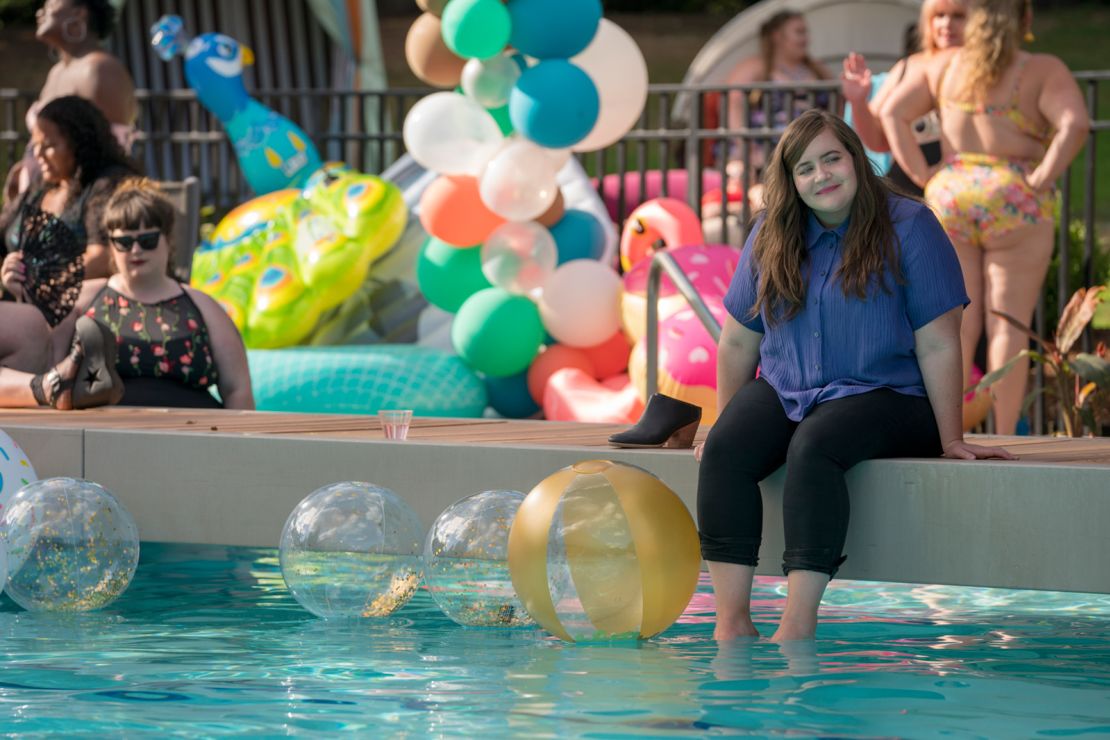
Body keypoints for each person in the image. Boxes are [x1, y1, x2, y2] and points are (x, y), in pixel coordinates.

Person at [696, 109, 1014, 643]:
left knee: (814, 446)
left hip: (890, 393)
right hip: (789, 386)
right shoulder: (772, 231)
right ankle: (732, 624)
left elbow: (938, 341)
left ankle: (796, 624)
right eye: (805, 168)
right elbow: (737, 339)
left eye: (831, 159)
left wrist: (952, 437)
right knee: (726, 450)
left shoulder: (910, 225)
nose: (822, 176)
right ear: (790, 181)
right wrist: (726, 420)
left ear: (855, 159)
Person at [881, 0, 1089, 434]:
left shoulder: (945, 65)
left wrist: (923, 175)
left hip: (953, 194)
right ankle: (1004, 432)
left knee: (956, 324)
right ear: (1025, 20)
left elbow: (891, 112)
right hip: (1015, 198)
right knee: (1008, 326)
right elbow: (1074, 123)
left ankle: (947, 433)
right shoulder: (1042, 69)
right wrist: (1043, 177)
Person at [0, 178, 254, 410]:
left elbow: (237, 389)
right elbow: (47, 368)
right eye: (124, 242)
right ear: (111, 245)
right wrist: (24, 293)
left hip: (196, 433)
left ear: (168, 240)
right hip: (103, 435)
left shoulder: (203, 306)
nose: (135, 250)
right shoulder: (81, 300)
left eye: (147, 240)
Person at [1, 95, 140, 323]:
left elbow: (102, 256)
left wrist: (41, 285)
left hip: (78, 312)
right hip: (20, 306)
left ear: (80, 143)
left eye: (49, 145)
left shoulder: (107, 184)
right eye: (35, 146)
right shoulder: (41, 187)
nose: (38, 154)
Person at [4, 0, 137, 200]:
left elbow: (104, 152)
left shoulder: (100, 69)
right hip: (47, 196)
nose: (40, 13)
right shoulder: (57, 72)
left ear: (80, 14)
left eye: (50, 6)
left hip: (79, 203)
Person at [841, 0, 967, 194]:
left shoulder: (986, 69)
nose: (947, 24)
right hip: (908, 191)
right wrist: (858, 102)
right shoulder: (906, 67)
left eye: (958, 16)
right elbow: (878, 140)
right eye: (939, 16)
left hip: (966, 184)